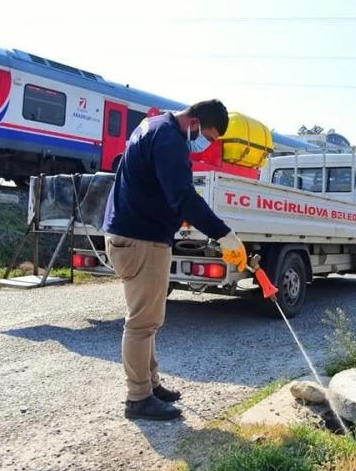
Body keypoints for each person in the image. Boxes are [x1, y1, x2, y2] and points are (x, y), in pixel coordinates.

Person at [102, 99, 247, 421]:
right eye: (208, 136)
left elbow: (152, 184)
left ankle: (150, 385)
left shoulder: (152, 126)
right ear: (195, 122)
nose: (205, 144)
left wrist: (170, 213)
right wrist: (223, 234)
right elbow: (183, 196)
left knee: (148, 320)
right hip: (141, 239)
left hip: (132, 233)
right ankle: (138, 398)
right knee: (142, 324)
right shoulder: (170, 140)